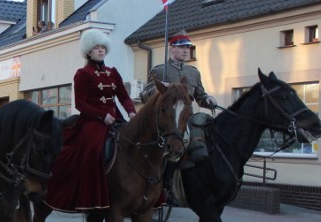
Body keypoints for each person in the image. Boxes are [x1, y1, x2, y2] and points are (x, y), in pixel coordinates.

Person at [42, 29, 136, 212]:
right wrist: (101, 116)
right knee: (94, 147)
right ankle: (91, 194)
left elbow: (123, 96)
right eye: (96, 48)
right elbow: (80, 104)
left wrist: (131, 112)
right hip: (92, 120)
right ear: (88, 52)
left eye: (102, 47)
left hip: (115, 117)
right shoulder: (82, 74)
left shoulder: (113, 72)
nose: (100, 50)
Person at [139, 30, 218, 206]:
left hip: (185, 119)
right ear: (172, 48)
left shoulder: (193, 73)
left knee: (205, 140)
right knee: (176, 145)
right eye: (182, 47)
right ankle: (165, 187)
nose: (185, 51)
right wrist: (159, 89)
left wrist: (208, 100)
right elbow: (144, 95)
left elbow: (200, 95)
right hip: (166, 120)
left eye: (188, 48)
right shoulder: (160, 70)